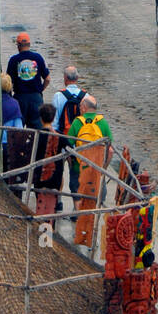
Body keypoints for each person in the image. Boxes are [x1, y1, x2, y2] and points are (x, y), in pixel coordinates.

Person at [68, 96, 112, 248]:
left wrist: (71, 164)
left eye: (81, 106)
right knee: (95, 200)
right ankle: (92, 234)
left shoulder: (77, 122)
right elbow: (110, 150)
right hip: (96, 170)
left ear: (84, 108)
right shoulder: (103, 123)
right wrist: (103, 168)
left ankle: (79, 232)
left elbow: (68, 146)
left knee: (78, 197)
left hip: (79, 168)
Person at [51, 66, 88, 212]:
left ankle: (59, 202)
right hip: (78, 143)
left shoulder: (58, 96)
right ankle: (75, 208)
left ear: (65, 79)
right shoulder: (86, 96)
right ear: (77, 78)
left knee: (58, 171)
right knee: (76, 175)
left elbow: (54, 123)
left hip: (61, 139)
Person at [6, 32, 50, 128]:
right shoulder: (38, 58)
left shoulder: (13, 60)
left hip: (20, 98)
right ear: (29, 44)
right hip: (36, 98)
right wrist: (40, 90)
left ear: (18, 45)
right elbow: (47, 79)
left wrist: (9, 98)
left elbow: (8, 82)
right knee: (37, 129)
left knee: (18, 129)